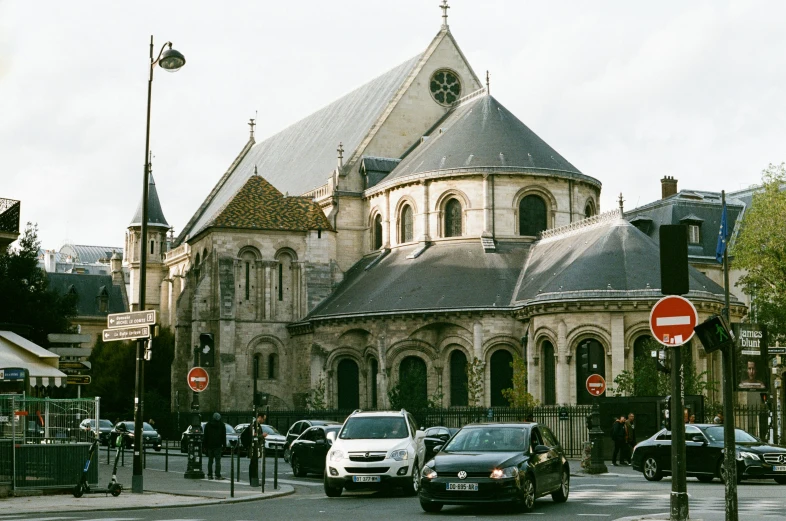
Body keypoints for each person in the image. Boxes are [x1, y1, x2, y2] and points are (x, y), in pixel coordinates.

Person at [203, 412, 227, 480]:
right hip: (218, 445)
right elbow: (223, 436)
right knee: (218, 461)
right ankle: (217, 475)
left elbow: (205, 436)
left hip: (210, 445)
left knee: (210, 461)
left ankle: (210, 475)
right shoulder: (222, 425)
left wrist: (204, 446)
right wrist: (224, 445)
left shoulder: (208, 425)